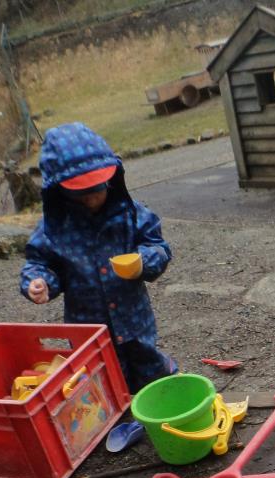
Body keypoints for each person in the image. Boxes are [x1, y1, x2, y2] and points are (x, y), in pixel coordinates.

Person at [19, 122, 176, 393]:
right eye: (81, 192)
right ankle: (118, 414)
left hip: (134, 318)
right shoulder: (53, 229)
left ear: (111, 179)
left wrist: (144, 260)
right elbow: (41, 263)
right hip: (88, 327)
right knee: (103, 377)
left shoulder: (130, 214)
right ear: (59, 191)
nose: (92, 199)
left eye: (98, 188)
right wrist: (38, 281)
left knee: (147, 362)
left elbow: (157, 246)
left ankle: (161, 393)